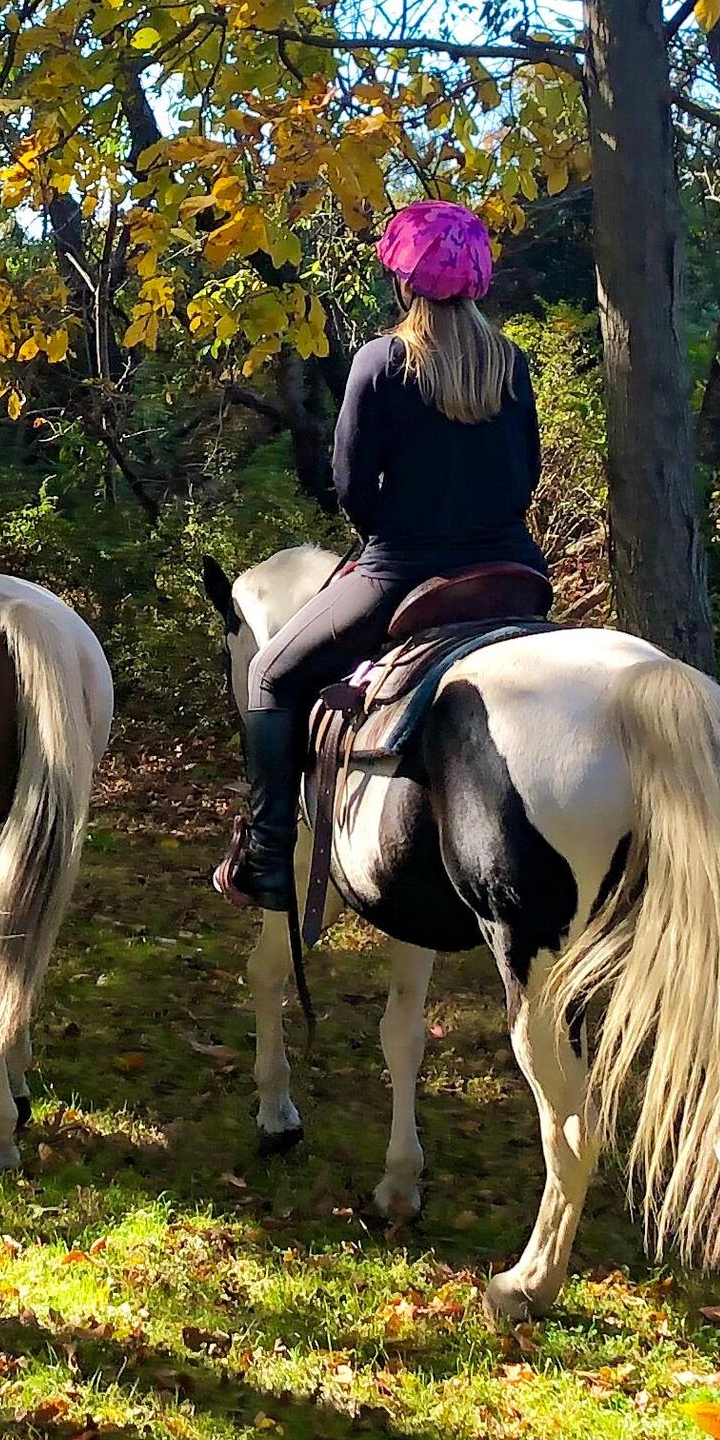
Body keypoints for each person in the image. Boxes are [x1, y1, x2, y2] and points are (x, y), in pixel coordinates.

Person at [215, 200, 545, 910]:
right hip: (513, 575)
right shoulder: (510, 364)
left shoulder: (381, 361)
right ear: (478, 278)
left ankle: (269, 856)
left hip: (402, 574)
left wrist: (387, 536)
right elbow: (526, 477)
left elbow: (352, 487)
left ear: (403, 282)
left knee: (271, 673)